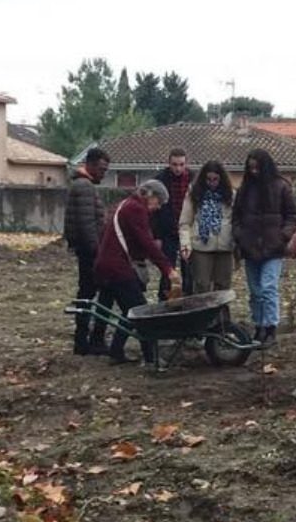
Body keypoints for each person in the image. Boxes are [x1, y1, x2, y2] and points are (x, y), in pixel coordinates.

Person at [95, 181, 180, 364]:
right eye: (158, 202)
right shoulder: (135, 209)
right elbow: (147, 242)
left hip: (107, 264)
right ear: (150, 195)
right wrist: (167, 269)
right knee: (141, 312)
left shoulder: (124, 204)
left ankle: (115, 351)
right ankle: (152, 358)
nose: (157, 208)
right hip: (117, 267)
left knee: (129, 311)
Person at [232, 148, 296, 345]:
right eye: (250, 168)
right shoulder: (244, 190)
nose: (254, 172)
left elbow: (292, 216)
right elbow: (236, 217)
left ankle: (271, 328)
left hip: (273, 248)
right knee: (255, 291)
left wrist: (283, 236)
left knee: (268, 287)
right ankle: (259, 326)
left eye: (257, 168)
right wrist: (240, 236)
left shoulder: (281, 187)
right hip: (250, 247)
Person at [63, 146, 111, 355]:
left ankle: (85, 340)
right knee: (90, 294)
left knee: (87, 294)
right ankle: (86, 341)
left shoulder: (82, 185)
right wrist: (98, 253)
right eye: (101, 169)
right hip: (89, 252)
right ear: (90, 165)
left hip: (86, 250)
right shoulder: (84, 187)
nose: (103, 173)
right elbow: (87, 225)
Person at [179, 161, 234, 302]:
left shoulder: (230, 195)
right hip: (201, 246)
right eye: (209, 179)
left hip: (225, 246)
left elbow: (236, 220)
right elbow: (185, 222)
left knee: (223, 287)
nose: (212, 183)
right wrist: (185, 245)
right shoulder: (194, 194)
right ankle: (202, 320)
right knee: (202, 285)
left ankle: (222, 320)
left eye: (215, 179)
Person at [153, 148, 194, 299]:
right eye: (174, 164)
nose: (178, 168)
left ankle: (189, 298)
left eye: (181, 164)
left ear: (186, 163)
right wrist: (156, 235)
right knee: (167, 268)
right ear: (169, 163)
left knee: (189, 269)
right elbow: (154, 213)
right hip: (167, 231)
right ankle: (164, 299)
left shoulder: (193, 179)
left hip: (187, 231)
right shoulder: (160, 180)